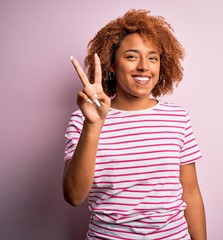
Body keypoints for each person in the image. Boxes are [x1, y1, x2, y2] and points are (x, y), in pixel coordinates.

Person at [63, 9, 207, 240]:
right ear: (111, 64)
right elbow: (73, 196)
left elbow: (190, 193)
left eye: (153, 57)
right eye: (131, 56)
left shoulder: (178, 118)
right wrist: (94, 125)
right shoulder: (83, 119)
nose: (143, 66)